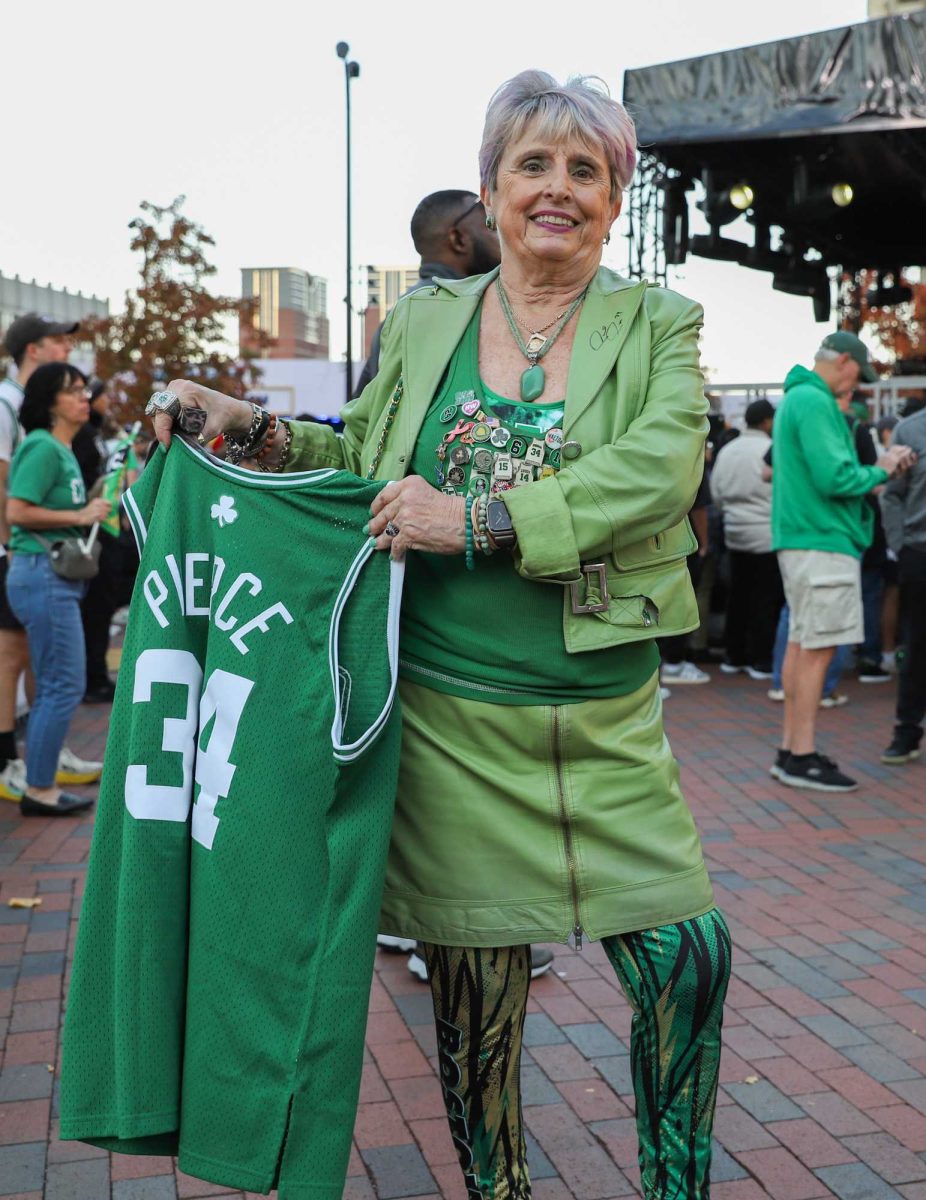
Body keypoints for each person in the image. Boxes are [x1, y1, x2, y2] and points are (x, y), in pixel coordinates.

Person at [153, 70, 730, 1199]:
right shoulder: (425, 318)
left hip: (605, 721)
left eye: (584, 169)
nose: (556, 189)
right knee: (473, 1003)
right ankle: (495, 1189)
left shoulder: (659, 322)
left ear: (612, 198)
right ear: (489, 189)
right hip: (453, 721)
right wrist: (254, 427)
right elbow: (364, 456)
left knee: (685, 963)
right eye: (533, 165)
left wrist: (476, 517)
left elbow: (660, 470)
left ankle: (677, 1186)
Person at [770, 332, 915, 792]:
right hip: (822, 539)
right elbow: (835, 476)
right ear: (848, 364)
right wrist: (885, 466)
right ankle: (802, 756)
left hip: (804, 537)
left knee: (802, 645)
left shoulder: (798, 399)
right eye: (858, 378)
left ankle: (793, 750)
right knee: (817, 650)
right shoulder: (813, 402)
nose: (855, 389)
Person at [4, 364, 110, 815]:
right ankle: (40, 788)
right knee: (63, 684)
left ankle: (41, 782)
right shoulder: (43, 447)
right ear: (49, 402)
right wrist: (85, 515)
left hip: (51, 577)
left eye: (85, 390)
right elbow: (17, 511)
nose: (84, 398)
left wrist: (92, 505)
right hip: (42, 574)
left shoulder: (61, 449)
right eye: (73, 392)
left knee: (55, 683)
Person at [0, 314, 77, 798]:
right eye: (57, 343)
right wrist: (11, 546)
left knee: (34, 656)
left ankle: (45, 752)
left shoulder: (24, 407)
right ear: (33, 349)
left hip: (23, 548)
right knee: (11, 654)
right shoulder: (7, 403)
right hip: (17, 549)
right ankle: (10, 759)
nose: (66, 350)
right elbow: (5, 482)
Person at [353, 189, 501, 397]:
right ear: (459, 239)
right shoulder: (440, 311)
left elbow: (363, 415)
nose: (503, 239)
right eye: (491, 227)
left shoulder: (403, 311)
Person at [73, 379, 140, 703]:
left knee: (101, 610)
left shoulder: (94, 436)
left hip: (107, 529)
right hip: (96, 532)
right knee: (96, 612)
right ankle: (92, 678)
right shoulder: (80, 437)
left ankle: (96, 675)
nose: (94, 402)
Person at [710, 398, 782, 679]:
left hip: (735, 532)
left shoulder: (728, 450)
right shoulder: (769, 450)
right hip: (766, 534)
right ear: (766, 421)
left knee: (737, 595)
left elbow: (716, 492)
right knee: (765, 598)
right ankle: (761, 659)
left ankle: (733, 655)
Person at [880, 402, 926, 763]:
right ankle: (907, 731)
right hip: (919, 552)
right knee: (917, 645)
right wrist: (900, 545)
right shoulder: (909, 430)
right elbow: (892, 496)